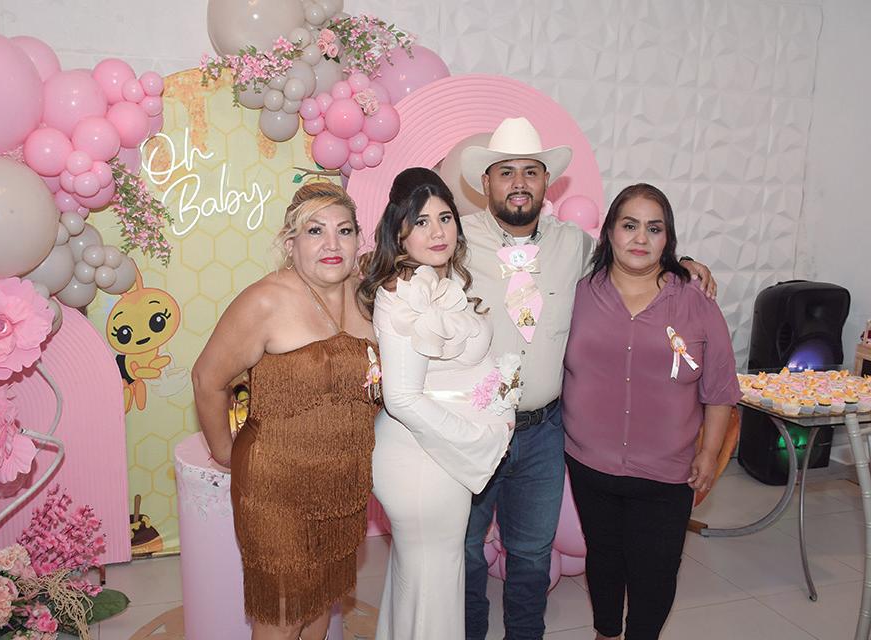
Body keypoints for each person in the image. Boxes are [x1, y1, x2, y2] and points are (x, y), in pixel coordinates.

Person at [458, 117, 716, 640]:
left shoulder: (574, 245)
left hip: (543, 432)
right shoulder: (454, 241)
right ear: (485, 181)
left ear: (546, 183)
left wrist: (684, 264)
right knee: (464, 552)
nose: (519, 183)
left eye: (531, 172)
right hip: (471, 428)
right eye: (505, 172)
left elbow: (633, 259)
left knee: (531, 554)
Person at [191, 182, 378, 640]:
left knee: (321, 599)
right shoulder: (265, 301)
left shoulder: (368, 296)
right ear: (291, 244)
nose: (332, 244)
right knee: (283, 612)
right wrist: (224, 451)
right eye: (315, 231)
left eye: (344, 230)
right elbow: (207, 379)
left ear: (358, 239)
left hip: (342, 484)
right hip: (276, 488)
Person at [562, 183, 740, 640]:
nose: (640, 238)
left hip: (667, 469)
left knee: (656, 568)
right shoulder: (578, 293)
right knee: (604, 555)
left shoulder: (695, 301)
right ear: (609, 232)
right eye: (629, 225)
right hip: (589, 462)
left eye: (654, 228)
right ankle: (605, 633)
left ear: (668, 238)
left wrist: (710, 452)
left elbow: (720, 387)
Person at [357, 167, 516, 639]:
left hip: (438, 453)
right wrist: (481, 437)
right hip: (422, 459)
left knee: (423, 582)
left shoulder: (439, 283)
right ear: (399, 232)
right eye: (421, 222)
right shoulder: (403, 293)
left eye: (445, 218)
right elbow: (402, 397)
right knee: (433, 583)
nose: (437, 232)